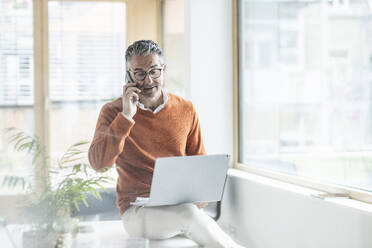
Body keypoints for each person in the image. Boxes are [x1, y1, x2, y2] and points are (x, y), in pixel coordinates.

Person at [88, 40, 244, 248]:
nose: (148, 80)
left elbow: (198, 164)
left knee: (191, 214)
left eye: (154, 71)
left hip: (180, 206)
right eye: (139, 73)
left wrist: (198, 197)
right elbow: (98, 163)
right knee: (189, 215)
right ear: (128, 76)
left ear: (164, 70)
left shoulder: (186, 109)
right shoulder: (113, 112)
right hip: (136, 211)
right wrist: (126, 116)